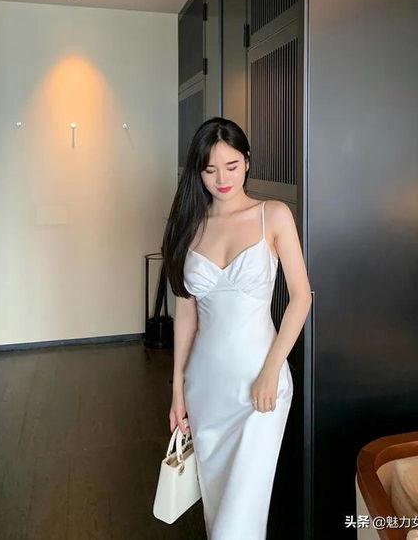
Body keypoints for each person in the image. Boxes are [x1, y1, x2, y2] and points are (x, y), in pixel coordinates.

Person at [161, 117, 312, 539]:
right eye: (210, 169)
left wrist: (271, 370)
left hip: (261, 385)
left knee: (239, 517)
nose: (222, 179)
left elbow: (301, 297)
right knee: (218, 509)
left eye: (231, 165)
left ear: (247, 161)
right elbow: (186, 315)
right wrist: (178, 388)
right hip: (206, 387)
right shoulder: (189, 227)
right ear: (198, 172)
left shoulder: (273, 215)